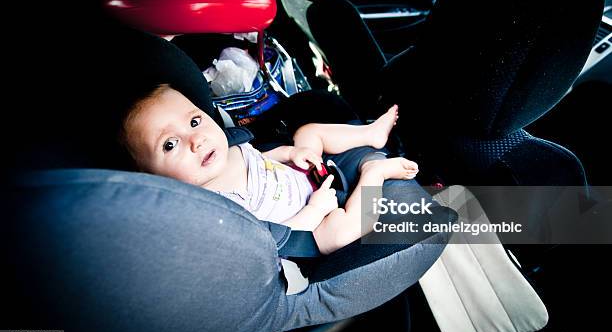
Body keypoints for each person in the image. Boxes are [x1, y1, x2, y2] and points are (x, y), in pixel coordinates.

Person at [120, 83, 419, 254]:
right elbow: (272, 243)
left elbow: (261, 157)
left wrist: (291, 152)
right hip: (310, 226)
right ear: (154, 180)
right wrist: (315, 211)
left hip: (307, 177)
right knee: (343, 231)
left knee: (307, 133)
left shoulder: (228, 151)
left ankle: (370, 135)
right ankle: (374, 175)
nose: (196, 140)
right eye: (170, 145)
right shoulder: (217, 209)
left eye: (195, 121)